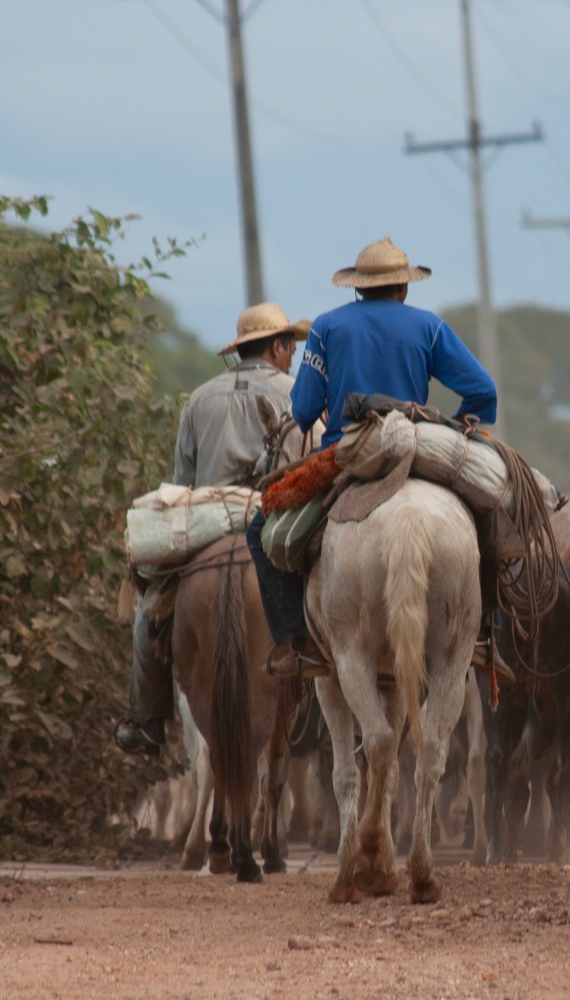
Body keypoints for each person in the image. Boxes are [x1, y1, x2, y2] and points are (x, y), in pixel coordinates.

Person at [248, 237, 497, 679]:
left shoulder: (326, 328)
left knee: (257, 528)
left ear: (358, 290)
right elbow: (483, 391)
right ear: (403, 289)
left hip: (346, 457)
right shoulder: (429, 327)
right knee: (487, 517)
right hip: (416, 446)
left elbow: (304, 412)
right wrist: (454, 426)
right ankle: (481, 635)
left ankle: (297, 644)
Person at [114, 302, 311, 756]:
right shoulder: (298, 393)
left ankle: (146, 720)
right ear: (279, 347)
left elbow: (182, 482)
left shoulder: (200, 398)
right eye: (291, 348)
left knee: (148, 612)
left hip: (205, 518)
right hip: (272, 518)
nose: (292, 356)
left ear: (240, 351)